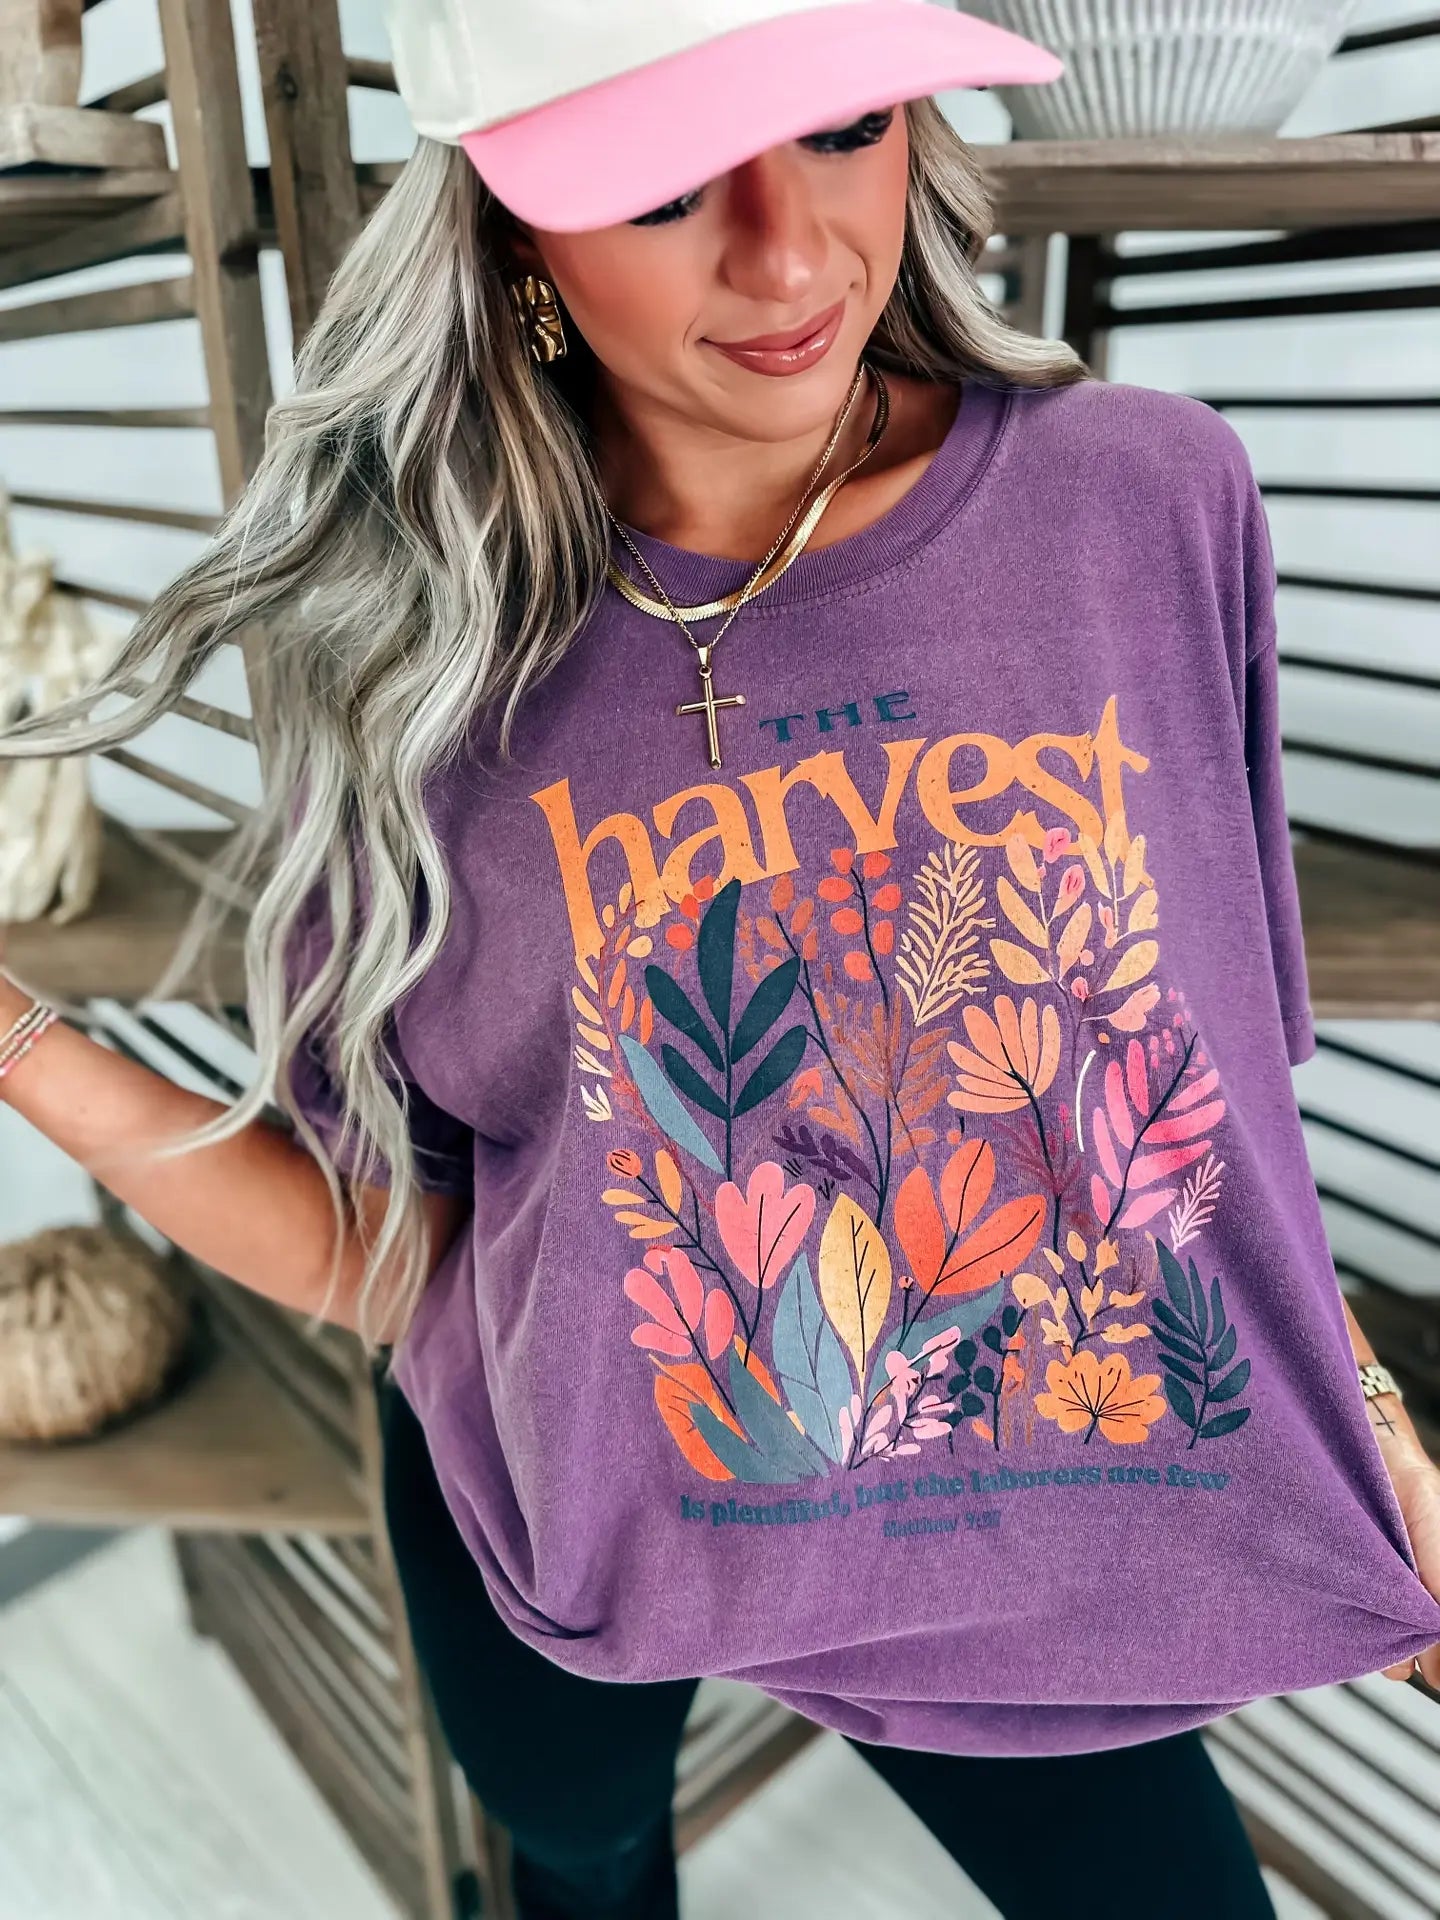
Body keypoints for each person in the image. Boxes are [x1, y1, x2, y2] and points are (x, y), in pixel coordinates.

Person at [2, 2, 1437, 1915]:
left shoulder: (1148, 504)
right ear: (512, 226)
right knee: (582, 1855)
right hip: (572, 1516)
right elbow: (403, 1251)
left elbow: (1218, 1090)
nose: (787, 253)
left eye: (847, 129)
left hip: (1053, 1530)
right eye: (666, 181)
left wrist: (1370, 1420)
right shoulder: (415, 673)